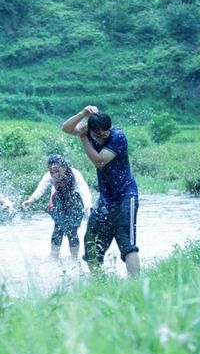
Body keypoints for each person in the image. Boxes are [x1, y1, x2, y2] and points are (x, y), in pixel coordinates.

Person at [61, 106, 140, 276]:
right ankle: (100, 284)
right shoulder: (90, 133)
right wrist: (82, 114)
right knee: (91, 243)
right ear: (92, 131)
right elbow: (66, 128)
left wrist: (83, 138)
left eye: (105, 134)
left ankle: (136, 284)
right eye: (98, 135)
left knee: (128, 244)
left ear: (109, 129)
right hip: (105, 200)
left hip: (126, 196)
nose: (102, 138)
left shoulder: (117, 137)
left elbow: (99, 161)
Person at [22, 154, 92, 260]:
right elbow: (41, 187)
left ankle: (74, 258)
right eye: (52, 172)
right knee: (58, 228)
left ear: (64, 168)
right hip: (59, 202)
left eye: (57, 171)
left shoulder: (75, 174)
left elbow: (84, 190)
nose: (54, 175)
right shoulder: (48, 176)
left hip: (75, 203)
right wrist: (31, 200)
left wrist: (87, 207)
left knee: (72, 231)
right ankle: (54, 256)